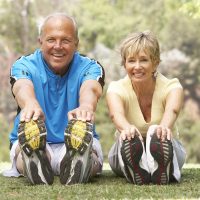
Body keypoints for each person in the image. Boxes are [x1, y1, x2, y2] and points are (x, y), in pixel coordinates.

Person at [3, 13, 105, 185]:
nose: (58, 46)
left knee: (88, 153)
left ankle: (79, 160)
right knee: (25, 152)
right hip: (36, 140)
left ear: (76, 43)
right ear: (40, 41)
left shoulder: (90, 67)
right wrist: (30, 104)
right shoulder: (23, 65)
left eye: (65, 40)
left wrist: (86, 106)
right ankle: (35, 158)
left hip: (77, 141)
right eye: (51, 40)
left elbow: (91, 88)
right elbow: (21, 86)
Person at [106, 31, 186, 185]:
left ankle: (161, 163)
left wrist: (162, 129)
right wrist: (127, 128)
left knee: (156, 133)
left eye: (143, 60)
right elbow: (116, 115)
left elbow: (172, 110)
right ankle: (137, 165)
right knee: (127, 139)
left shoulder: (172, 87)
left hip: (166, 144)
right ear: (124, 64)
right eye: (131, 61)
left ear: (155, 62)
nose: (137, 67)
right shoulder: (116, 88)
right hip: (126, 143)